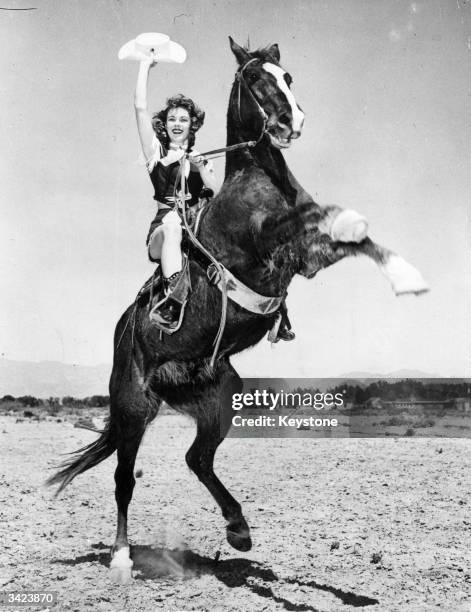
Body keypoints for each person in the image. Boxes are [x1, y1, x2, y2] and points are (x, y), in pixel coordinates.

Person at [134, 54, 218, 328]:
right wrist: (145, 66)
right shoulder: (155, 155)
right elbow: (140, 109)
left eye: (184, 118)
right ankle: (173, 298)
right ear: (165, 124)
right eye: (172, 119)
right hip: (163, 233)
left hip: (195, 234)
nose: (178, 123)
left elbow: (218, 193)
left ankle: (276, 314)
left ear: (193, 124)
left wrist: (203, 168)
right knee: (172, 224)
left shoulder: (202, 160)